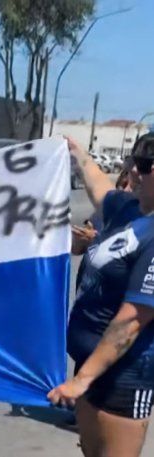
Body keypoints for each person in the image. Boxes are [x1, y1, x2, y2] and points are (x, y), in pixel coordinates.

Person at [48, 135, 154, 457]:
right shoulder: (126, 208)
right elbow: (98, 184)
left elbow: (132, 320)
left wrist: (82, 380)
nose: (133, 170)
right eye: (132, 161)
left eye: (145, 165)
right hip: (89, 367)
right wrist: (74, 150)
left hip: (125, 378)